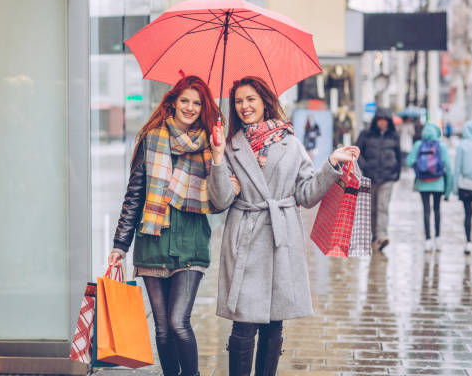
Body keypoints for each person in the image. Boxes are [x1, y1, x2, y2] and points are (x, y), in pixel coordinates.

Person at [207, 76, 359, 376]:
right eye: (238, 101)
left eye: (251, 99)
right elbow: (220, 200)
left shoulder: (290, 141)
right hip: (245, 235)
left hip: (281, 236)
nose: (244, 106)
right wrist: (216, 157)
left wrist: (331, 164)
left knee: (275, 320)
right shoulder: (229, 144)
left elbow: (306, 194)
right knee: (244, 320)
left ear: (265, 101)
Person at [107, 75, 220, 376]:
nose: (191, 107)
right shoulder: (151, 138)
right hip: (152, 242)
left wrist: (220, 156)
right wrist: (120, 245)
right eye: (185, 100)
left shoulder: (210, 144)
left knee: (178, 322)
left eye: (197, 102)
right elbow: (134, 194)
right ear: (172, 102)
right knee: (161, 328)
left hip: (190, 244)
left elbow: (221, 200)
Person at [355, 108, 401, 252]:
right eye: (380, 121)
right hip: (370, 177)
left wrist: (396, 173)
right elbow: (356, 152)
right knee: (372, 208)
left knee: (382, 206)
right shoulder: (366, 135)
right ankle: (374, 235)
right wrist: (365, 166)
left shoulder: (394, 136)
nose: (383, 124)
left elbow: (399, 156)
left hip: (387, 177)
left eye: (385, 121)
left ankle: (381, 235)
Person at [406, 122, 453, 252]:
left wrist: (418, 165)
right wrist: (448, 191)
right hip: (438, 183)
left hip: (422, 183)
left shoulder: (418, 145)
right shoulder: (441, 146)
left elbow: (408, 161)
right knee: (437, 210)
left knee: (426, 210)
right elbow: (448, 168)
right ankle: (437, 239)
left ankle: (427, 240)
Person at [454, 120, 472, 254]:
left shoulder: (463, 145)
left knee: (468, 214)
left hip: (465, 185)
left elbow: (457, 169)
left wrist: (454, 188)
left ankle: (468, 242)